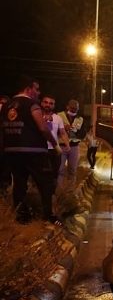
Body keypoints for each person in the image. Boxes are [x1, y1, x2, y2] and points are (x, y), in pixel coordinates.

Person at [0, 74, 62, 225]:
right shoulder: (32, 105)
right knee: (45, 183)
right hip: (34, 151)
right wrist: (55, 144)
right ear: (28, 89)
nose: (38, 93)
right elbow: (43, 128)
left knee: (19, 184)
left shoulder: (7, 106)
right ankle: (48, 215)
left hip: (12, 151)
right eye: (36, 89)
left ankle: (21, 216)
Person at [40, 94, 70, 199]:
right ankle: (41, 195)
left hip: (54, 150)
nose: (48, 105)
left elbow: (62, 133)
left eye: (51, 103)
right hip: (40, 150)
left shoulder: (58, 118)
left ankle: (51, 195)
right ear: (41, 103)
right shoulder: (36, 116)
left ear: (54, 106)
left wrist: (67, 145)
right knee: (41, 174)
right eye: (46, 102)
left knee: (54, 173)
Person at [57, 99, 84, 188]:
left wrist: (76, 132)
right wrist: (62, 128)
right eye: (72, 108)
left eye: (76, 109)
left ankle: (70, 190)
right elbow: (53, 129)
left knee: (72, 170)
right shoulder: (59, 116)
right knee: (60, 169)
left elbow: (82, 133)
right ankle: (59, 189)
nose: (74, 110)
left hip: (74, 146)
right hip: (62, 146)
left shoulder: (80, 118)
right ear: (67, 107)